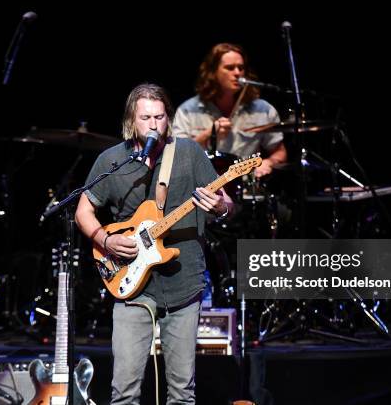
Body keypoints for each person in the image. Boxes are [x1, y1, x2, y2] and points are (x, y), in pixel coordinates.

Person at [75, 83, 234, 404]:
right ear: (131, 121)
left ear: (168, 118)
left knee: (182, 392)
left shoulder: (188, 153)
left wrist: (219, 206)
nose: (153, 124)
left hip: (183, 283)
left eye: (159, 117)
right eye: (145, 117)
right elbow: (83, 211)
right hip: (130, 285)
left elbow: (227, 203)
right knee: (124, 391)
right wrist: (106, 239)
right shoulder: (112, 160)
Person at [173, 42, 287, 179]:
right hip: (203, 191)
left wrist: (268, 162)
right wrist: (209, 134)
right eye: (230, 68)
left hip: (247, 190)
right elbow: (177, 157)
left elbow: (280, 152)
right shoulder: (188, 110)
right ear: (213, 72)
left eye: (241, 68)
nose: (237, 73)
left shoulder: (263, 110)